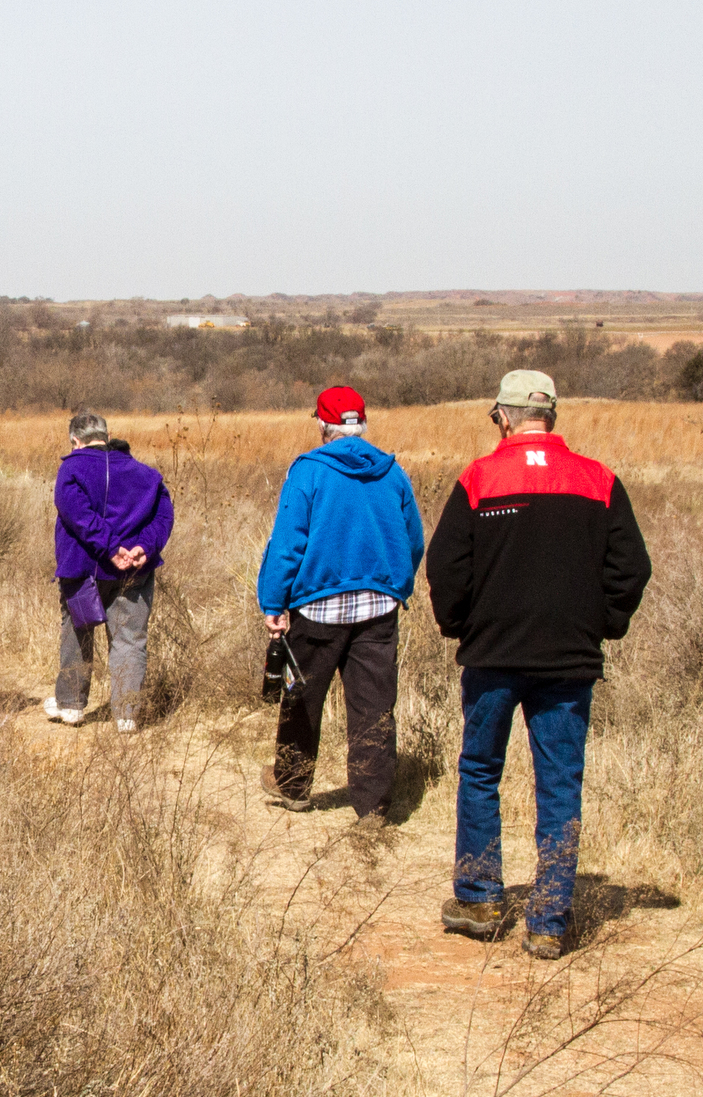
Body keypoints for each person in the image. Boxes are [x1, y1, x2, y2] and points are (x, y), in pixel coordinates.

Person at [426, 370, 654, 960]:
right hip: (569, 660)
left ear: (503, 416)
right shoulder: (598, 480)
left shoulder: (479, 478)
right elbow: (633, 569)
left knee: (480, 771)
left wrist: (460, 625)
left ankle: (479, 899)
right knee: (560, 784)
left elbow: (446, 567)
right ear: (551, 415)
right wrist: (601, 622)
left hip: (494, 656)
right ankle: (549, 919)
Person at [256, 385, 424, 836]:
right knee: (373, 706)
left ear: (324, 424)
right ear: (362, 423)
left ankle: (292, 786)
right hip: (379, 609)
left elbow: (287, 545)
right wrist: (396, 586)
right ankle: (372, 810)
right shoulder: (392, 472)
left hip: (317, 608)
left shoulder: (308, 471)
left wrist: (274, 602)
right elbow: (413, 541)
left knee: (301, 698)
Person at [47, 411, 172, 731]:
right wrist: (143, 546)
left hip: (85, 570)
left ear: (75, 440)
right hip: (135, 569)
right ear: (105, 435)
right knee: (130, 639)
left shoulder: (71, 467)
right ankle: (126, 716)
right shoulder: (147, 474)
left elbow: (77, 516)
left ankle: (71, 707)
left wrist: (110, 549)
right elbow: (164, 517)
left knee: (78, 633)